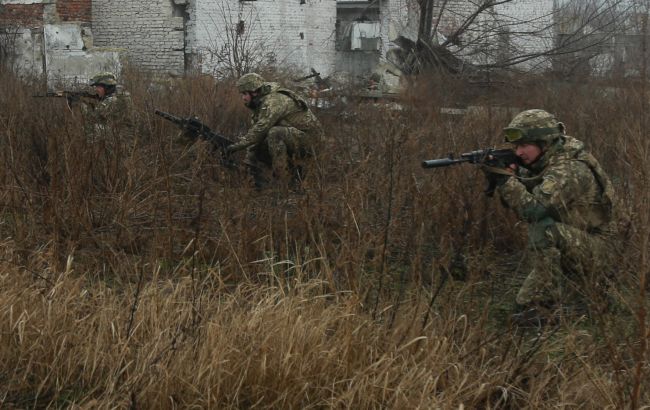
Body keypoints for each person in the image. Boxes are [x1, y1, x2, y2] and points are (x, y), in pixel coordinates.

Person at [484, 109, 618, 325]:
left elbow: (533, 210)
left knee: (543, 229)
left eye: (523, 145)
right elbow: (517, 203)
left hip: (601, 250)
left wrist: (504, 180)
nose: (518, 152)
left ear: (544, 142)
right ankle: (573, 295)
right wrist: (505, 177)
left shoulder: (570, 169)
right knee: (520, 306)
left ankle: (549, 305)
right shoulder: (542, 163)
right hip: (575, 239)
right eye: (516, 147)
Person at [225, 72, 323, 188]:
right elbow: (255, 138)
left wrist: (234, 146)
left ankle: (282, 182)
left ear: (254, 92)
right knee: (262, 144)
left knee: (275, 133)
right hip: (296, 139)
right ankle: (295, 175)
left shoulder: (274, 101)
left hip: (311, 141)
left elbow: (260, 129)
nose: (243, 98)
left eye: (245, 94)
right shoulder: (261, 105)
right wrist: (248, 163)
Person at [82, 72, 134, 140]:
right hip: (125, 135)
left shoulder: (111, 101)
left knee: (91, 127)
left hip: (120, 139)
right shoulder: (121, 94)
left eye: (99, 87)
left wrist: (83, 105)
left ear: (108, 87)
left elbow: (93, 117)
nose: (96, 89)